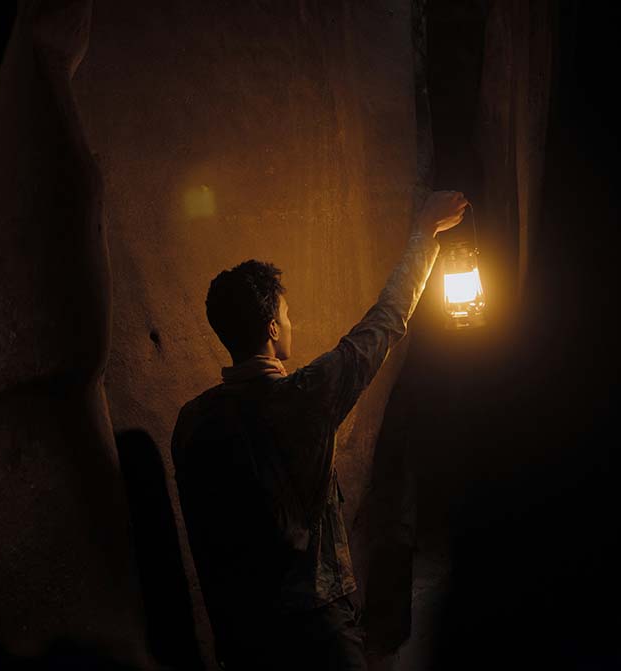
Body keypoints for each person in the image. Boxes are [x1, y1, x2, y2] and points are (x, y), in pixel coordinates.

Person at [171, 191, 468, 670]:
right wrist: (425, 234)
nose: (291, 323)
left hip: (243, 637)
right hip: (316, 630)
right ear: (271, 328)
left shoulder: (192, 422)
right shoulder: (305, 396)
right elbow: (385, 321)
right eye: (286, 317)